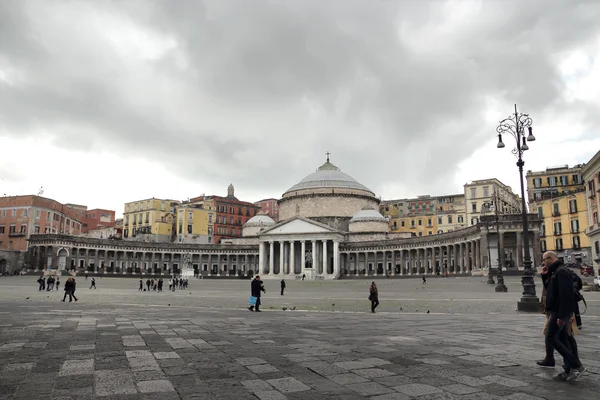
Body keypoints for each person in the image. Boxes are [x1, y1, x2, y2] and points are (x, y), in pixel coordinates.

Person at [540, 251, 586, 382]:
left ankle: (576, 365)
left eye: (544, 260)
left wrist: (562, 315)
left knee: (551, 337)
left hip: (559, 312)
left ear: (551, 258)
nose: (543, 262)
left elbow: (566, 295)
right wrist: (544, 276)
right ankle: (569, 370)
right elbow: (551, 289)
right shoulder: (555, 272)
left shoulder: (561, 272)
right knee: (563, 338)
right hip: (556, 310)